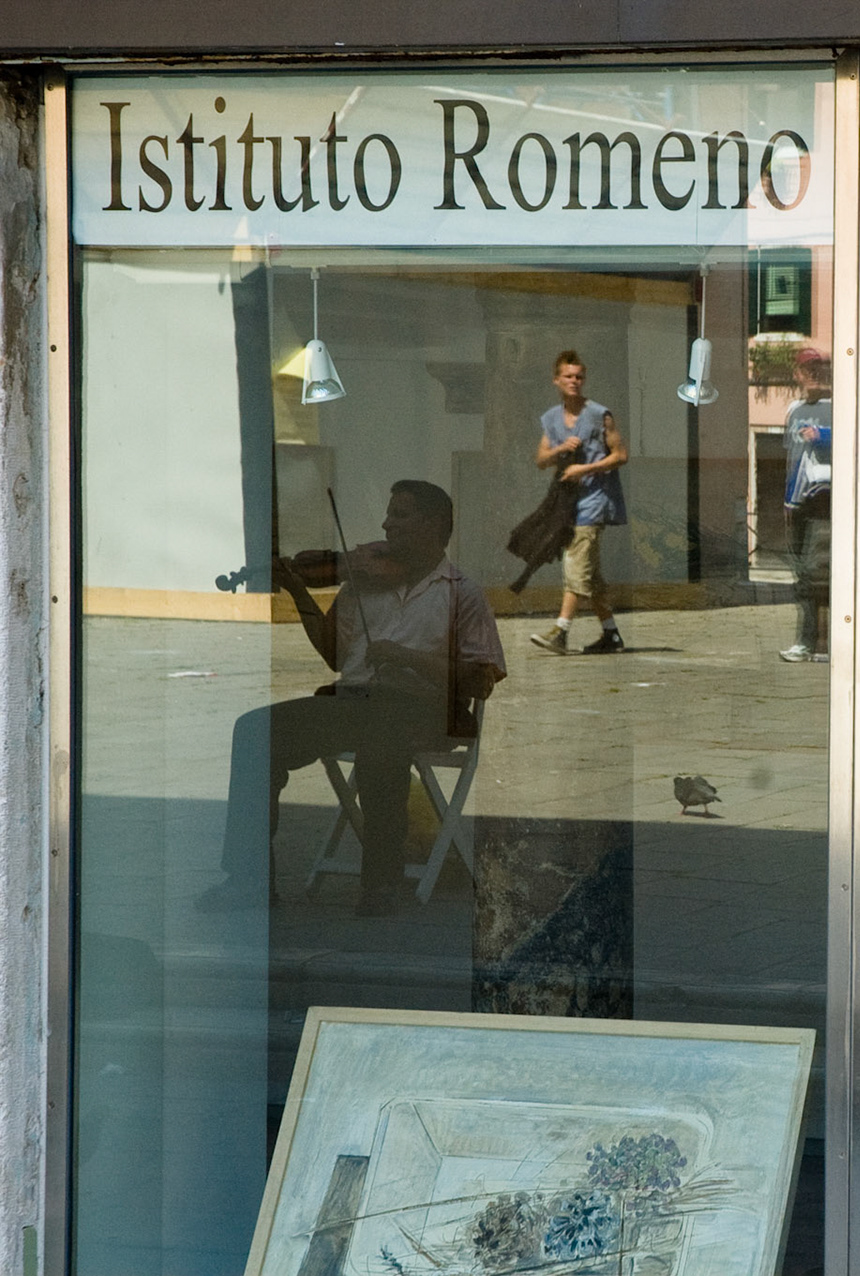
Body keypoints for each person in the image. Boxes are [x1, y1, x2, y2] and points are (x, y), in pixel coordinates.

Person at [196, 481, 507, 916]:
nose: (386, 524)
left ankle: (381, 883)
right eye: (389, 513)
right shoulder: (365, 583)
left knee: (381, 738)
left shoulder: (462, 592)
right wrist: (299, 592)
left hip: (425, 709)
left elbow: (480, 679)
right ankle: (248, 881)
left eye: (400, 515)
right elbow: (334, 655)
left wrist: (405, 657)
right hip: (356, 702)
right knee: (254, 732)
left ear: (434, 525)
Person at [530, 350, 630, 655]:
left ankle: (560, 631)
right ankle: (611, 634)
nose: (574, 381)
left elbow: (620, 455)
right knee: (591, 575)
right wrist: (561, 448)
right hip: (568, 505)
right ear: (556, 380)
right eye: (568, 376)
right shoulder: (552, 418)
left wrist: (584, 469)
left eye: (579, 377)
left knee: (576, 565)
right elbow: (541, 460)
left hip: (595, 503)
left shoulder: (600, 415)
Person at [780, 348, 832, 663]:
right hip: (798, 502)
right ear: (797, 374)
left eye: (818, 370)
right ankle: (805, 641)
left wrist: (823, 435)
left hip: (825, 501)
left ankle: (825, 642)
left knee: (822, 572)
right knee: (802, 574)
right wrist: (788, 502)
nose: (813, 375)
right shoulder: (794, 410)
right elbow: (792, 457)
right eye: (807, 370)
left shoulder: (839, 406)